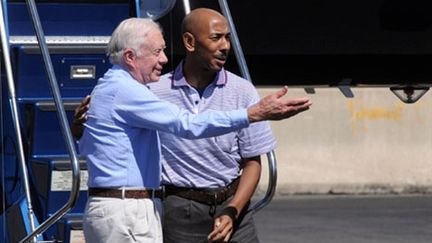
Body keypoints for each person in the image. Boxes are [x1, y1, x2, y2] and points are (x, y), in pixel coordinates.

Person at [76, 17, 311, 243]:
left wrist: (79, 128)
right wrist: (251, 114)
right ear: (130, 56)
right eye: (157, 52)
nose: (164, 59)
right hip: (128, 210)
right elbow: (187, 124)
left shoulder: (114, 88)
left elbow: (91, 143)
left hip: (125, 207)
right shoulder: (129, 91)